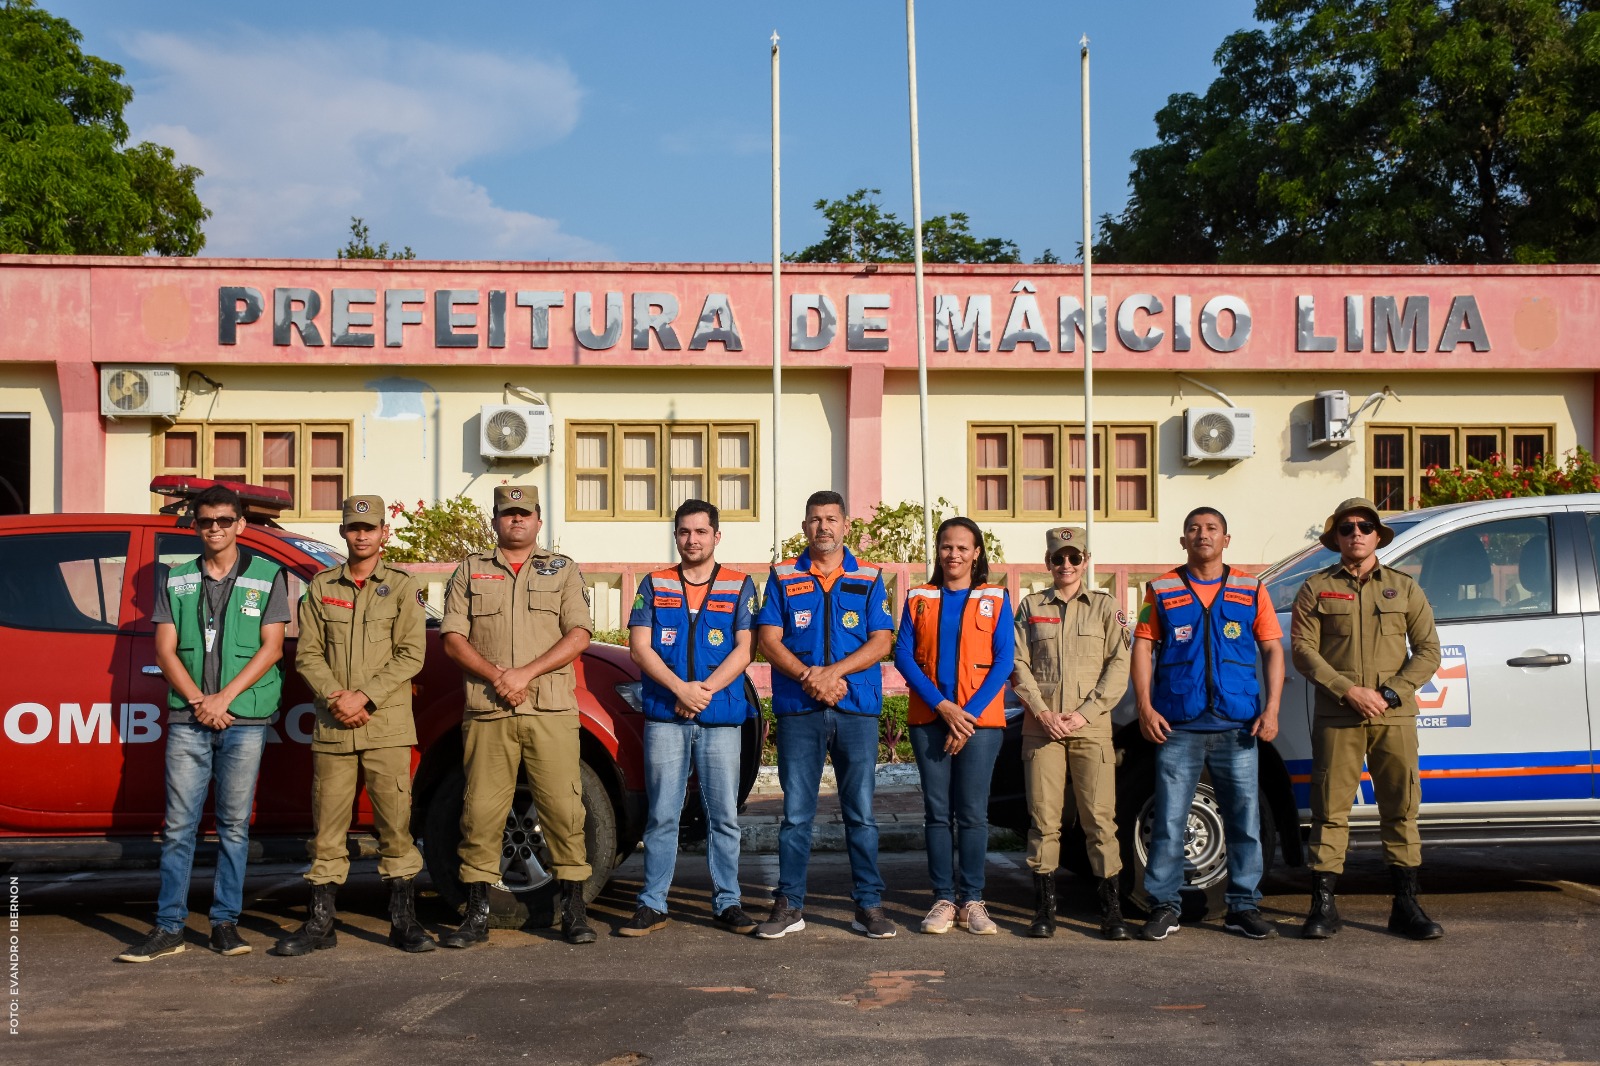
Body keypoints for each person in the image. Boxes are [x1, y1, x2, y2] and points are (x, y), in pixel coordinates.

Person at [118, 484, 289, 963]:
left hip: (245, 716)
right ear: (195, 526)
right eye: (205, 521)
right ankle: (169, 926)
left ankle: (224, 924)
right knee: (179, 827)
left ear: (240, 525)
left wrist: (223, 699)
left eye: (222, 520)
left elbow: (272, 648)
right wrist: (199, 701)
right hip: (190, 717)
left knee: (234, 827)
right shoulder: (175, 578)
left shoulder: (268, 574)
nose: (213, 528)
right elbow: (164, 650)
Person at [437, 485, 596, 947]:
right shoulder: (470, 570)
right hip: (489, 710)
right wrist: (497, 675)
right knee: (481, 812)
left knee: (565, 809)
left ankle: (574, 912)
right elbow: (452, 637)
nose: (516, 521)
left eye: (524, 514)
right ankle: (477, 915)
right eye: (508, 514)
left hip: (549, 707)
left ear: (539, 521)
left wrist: (524, 673)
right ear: (496, 521)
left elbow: (580, 633)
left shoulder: (562, 570)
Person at [276, 495, 433, 956]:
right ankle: (320, 923)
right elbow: (307, 654)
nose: (361, 535)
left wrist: (363, 697)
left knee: (395, 825)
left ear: (384, 532)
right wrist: (337, 698)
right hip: (334, 726)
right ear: (343, 533)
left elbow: (412, 654)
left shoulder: (403, 588)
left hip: (385, 724)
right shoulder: (322, 587)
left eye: (369, 528)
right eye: (353, 528)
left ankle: (404, 921)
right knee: (327, 827)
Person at [1290, 497, 1444, 941]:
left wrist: (1391, 693)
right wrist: (1348, 691)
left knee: (1400, 809)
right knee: (1330, 811)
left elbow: (1429, 650)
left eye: (1365, 526)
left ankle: (1406, 905)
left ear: (1378, 535)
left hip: (1393, 716)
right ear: (1336, 538)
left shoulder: (1404, 588)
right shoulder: (1316, 588)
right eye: (1347, 527)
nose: (1356, 533)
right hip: (1338, 715)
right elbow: (1304, 651)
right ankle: (1323, 907)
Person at [1130, 506, 1285, 942]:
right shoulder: (1159, 590)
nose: (1203, 535)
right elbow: (1142, 647)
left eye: (1212, 528)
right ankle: (1164, 905)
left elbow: (1273, 649)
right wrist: (1145, 706)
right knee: (1169, 822)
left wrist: (1271, 709)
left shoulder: (1251, 590)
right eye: (1194, 529)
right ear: (1183, 540)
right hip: (1178, 726)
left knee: (1244, 821)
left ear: (1226, 540)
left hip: (1239, 727)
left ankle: (1243, 907)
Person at [754, 490, 897, 939]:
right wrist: (809, 678)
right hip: (801, 709)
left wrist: (832, 673)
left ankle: (869, 906)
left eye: (831, 519)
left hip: (856, 709)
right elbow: (768, 639)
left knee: (861, 814)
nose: (823, 528)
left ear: (846, 525)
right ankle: (789, 904)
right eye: (815, 520)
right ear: (804, 527)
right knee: (796, 814)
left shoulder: (870, 577)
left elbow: (881, 641)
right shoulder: (782, 576)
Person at [620, 499, 759, 937]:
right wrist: (680, 689)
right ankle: (652, 902)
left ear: (717, 536)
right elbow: (639, 647)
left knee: (724, 816)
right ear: (676, 535)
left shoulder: (739, 585)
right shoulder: (654, 583)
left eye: (701, 532)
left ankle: (728, 902)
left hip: (719, 718)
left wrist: (703, 692)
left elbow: (746, 648)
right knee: (662, 813)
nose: (692, 540)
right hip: (665, 716)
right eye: (684, 532)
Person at [1010, 526, 1132, 940]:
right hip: (1040, 730)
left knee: (1100, 820)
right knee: (1044, 821)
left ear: (1086, 560)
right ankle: (1045, 910)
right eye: (1058, 558)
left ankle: (1110, 911)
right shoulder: (1029, 606)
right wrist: (1043, 713)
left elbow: (1119, 665)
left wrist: (1083, 714)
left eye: (1073, 557)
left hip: (1091, 730)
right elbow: (1016, 662)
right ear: (1047, 562)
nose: (1066, 565)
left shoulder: (1104, 607)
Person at [895, 517, 1015, 935]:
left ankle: (973, 900)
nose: (954, 555)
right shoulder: (917, 597)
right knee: (937, 813)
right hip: (930, 719)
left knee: (973, 814)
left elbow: (1003, 662)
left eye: (963, 547)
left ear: (977, 552)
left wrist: (967, 716)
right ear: (938, 551)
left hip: (980, 726)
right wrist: (945, 708)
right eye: (947, 547)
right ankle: (944, 898)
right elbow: (903, 656)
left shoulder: (997, 597)